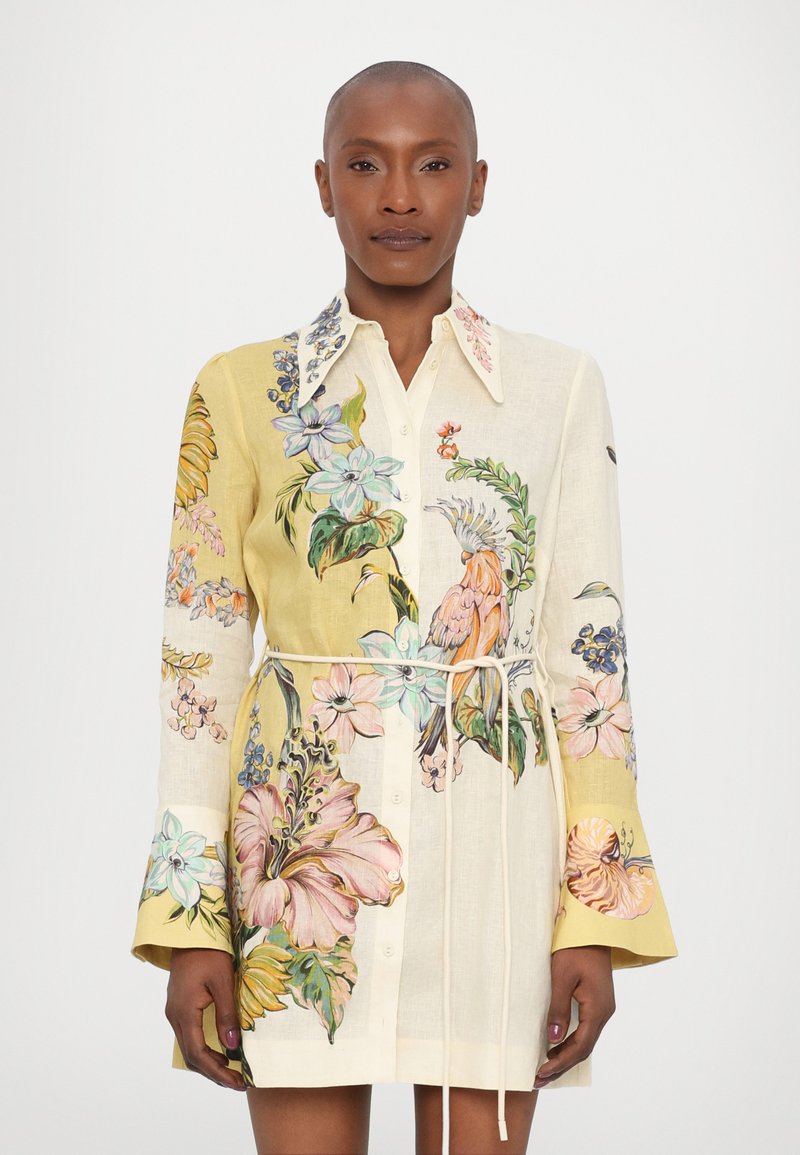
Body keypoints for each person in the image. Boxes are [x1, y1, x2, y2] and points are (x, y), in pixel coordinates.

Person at [131, 59, 677, 1155]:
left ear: (476, 184)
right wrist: (190, 922)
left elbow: (589, 665)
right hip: (300, 873)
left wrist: (592, 914)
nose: (397, 197)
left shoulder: (558, 388)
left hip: (494, 871)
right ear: (322, 184)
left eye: (431, 166)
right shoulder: (240, 392)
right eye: (364, 164)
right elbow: (199, 672)